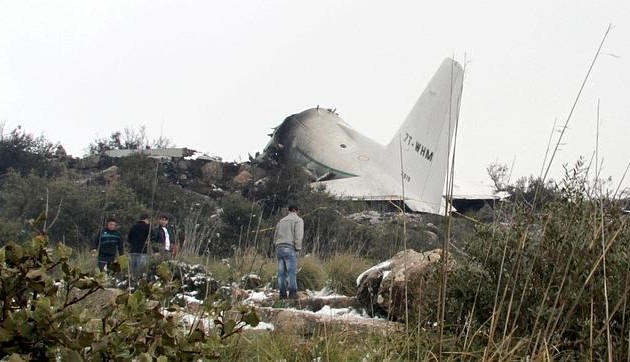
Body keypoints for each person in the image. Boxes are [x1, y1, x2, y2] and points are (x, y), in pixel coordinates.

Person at [273, 204, 304, 299]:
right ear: (297, 210)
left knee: (281, 272)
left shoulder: (281, 221)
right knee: (291, 271)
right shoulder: (298, 220)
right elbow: (298, 236)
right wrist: (298, 248)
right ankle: (292, 293)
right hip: (289, 247)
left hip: (279, 247)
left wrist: (277, 244)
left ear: (288, 210)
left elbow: (275, 236)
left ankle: (282, 294)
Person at [127, 213, 151, 278]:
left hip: (133, 250)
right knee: (141, 270)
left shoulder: (133, 227)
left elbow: (129, 239)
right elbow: (151, 238)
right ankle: (138, 282)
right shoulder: (148, 228)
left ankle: (132, 280)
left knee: (133, 269)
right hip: (143, 251)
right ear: (146, 219)